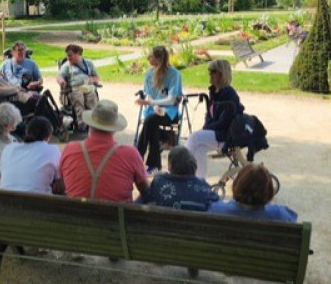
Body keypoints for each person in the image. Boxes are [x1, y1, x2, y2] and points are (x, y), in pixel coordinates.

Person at [59, 100, 148, 202]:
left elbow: (61, 184)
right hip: (116, 217)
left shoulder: (70, 150)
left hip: (76, 215)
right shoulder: (130, 154)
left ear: (90, 124)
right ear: (114, 128)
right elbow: (146, 192)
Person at [185, 59, 244, 180]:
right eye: (209, 71)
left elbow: (224, 122)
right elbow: (209, 115)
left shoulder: (229, 94)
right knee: (199, 150)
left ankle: (181, 172)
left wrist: (205, 129)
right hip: (216, 133)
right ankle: (200, 181)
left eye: (213, 71)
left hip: (225, 135)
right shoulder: (214, 91)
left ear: (222, 74)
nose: (210, 74)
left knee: (193, 137)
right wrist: (205, 127)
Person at [135, 45, 183, 173]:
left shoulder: (174, 74)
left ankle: (137, 157)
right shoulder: (149, 73)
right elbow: (149, 93)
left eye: (150, 56)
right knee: (151, 124)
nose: (148, 58)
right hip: (153, 110)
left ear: (158, 59)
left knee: (150, 121)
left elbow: (172, 99)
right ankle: (153, 164)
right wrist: (153, 104)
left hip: (169, 112)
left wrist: (151, 102)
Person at [208, 163, 297, 222]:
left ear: (237, 185)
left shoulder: (216, 210)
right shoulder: (280, 215)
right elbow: (293, 218)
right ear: (269, 190)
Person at [141, 146, 218, 212]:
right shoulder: (203, 187)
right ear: (193, 165)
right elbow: (216, 202)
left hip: (160, 228)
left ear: (170, 166)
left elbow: (146, 200)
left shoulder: (159, 182)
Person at [0, 116, 62, 195]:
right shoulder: (52, 150)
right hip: (39, 204)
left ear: (27, 132)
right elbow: (60, 183)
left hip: (3, 203)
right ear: (48, 137)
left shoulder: (9, 149)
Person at [57, 44, 100, 133]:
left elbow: (96, 77)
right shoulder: (66, 65)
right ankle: (82, 125)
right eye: (67, 55)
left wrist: (92, 79)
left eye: (70, 55)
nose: (68, 57)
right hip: (75, 88)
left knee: (91, 98)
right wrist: (61, 81)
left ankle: (93, 124)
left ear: (78, 54)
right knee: (79, 98)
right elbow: (59, 76)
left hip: (87, 87)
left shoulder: (88, 64)